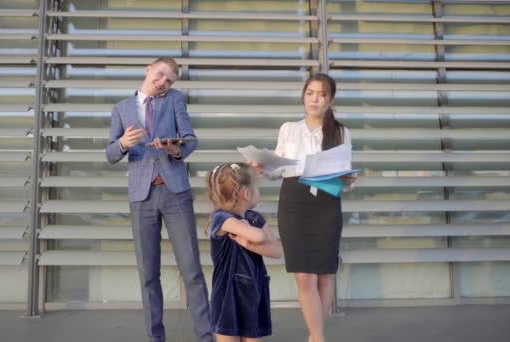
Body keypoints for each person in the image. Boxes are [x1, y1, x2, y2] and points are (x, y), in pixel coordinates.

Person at [105, 57, 212, 342]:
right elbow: (110, 153)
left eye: (169, 80)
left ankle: (206, 337)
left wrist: (176, 150)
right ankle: (156, 338)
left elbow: (190, 139)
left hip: (175, 192)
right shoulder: (121, 109)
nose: (164, 82)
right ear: (148, 70)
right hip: (141, 197)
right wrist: (123, 144)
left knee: (192, 270)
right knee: (148, 274)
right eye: (161, 74)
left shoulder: (174, 100)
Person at [249, 73, 357, 342]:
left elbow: (345, 174)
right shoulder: (289, 129)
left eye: (321, 94)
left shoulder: (341, 131)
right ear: (303, 95)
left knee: (323, 274)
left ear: (330, 100)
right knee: (303, 276)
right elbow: (278, 170)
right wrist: (265, 168)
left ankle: (314, 336)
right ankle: (318, 338)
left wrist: (349, 179)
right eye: (310, 93)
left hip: (326, 203)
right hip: (294, 202)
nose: (314, 99)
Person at [205, 162, 283, 342]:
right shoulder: (221, 218)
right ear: (247, 193)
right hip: (227, 296)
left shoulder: (254, 217)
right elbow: (257, 235)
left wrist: (247, 244)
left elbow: (277, 250)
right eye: (257, 187)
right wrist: (251, 236)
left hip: (252, 292)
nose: (258, 191)